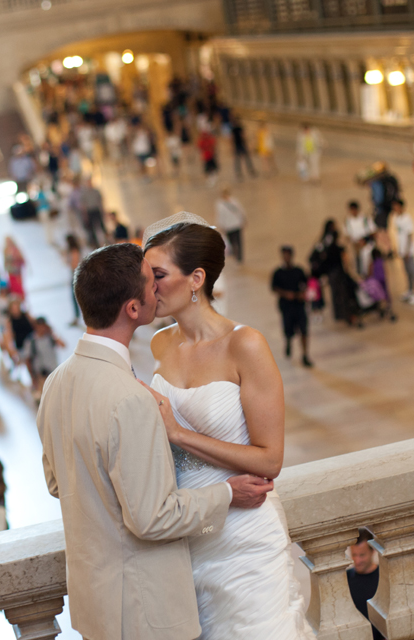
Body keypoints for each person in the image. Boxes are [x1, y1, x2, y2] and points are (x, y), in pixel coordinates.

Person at [37, 241, 273, 640]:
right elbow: (152, 517)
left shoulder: (56, 382)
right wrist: (228, 494)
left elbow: (57, 483)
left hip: (97, 603)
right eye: (151, 284)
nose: (157, 291)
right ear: (133, 308)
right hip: (144, 609)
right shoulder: (129, 398)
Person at [143, 215, 314, 638]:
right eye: (145, 276)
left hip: (245, 534)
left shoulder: (246, 344)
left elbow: (270, 458)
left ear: (196, 278)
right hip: (189, 534)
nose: (149, 287)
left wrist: (179, 434)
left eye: (159, 275)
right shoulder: (159, 343)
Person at [310, 220, 363, 328]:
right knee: (344, 295)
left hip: (332, 275)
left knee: (337, 296)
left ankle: (341, 315)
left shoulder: (323, 244)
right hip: (338, 275)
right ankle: (347, 315)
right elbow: (345, 263)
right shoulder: (335, 248)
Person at [272, 246, 313, 367]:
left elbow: (306, 283)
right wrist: (285, 294)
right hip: (287, 307)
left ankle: (305, 354)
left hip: (299, 305)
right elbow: (274, 287)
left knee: (304, 330)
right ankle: (288, 342)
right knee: (288, 330)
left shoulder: (298, 271)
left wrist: (303, 294)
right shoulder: (278, 273)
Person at [346, 532, 382, 640]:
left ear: (373, 551)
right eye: (354, 555)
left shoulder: (384, 576)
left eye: (362, 555)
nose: (357, 561)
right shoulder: (345, 578)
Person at [391, 199, 414, 305]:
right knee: (407, 271)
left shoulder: (407, 218)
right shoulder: (396, 218)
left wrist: (407, 251)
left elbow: (409, 235)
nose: (395, 209)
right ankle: (410, 290)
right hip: (402, 251)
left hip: (409, 252)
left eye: (396, 206)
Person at [28, 316, 65, 400]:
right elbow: (28, 360)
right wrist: (33, 378)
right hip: (41, 375)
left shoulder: (50, 337)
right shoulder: (31, 341)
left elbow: (63, 345)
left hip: (54, 371)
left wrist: (52, 333)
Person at [344, 200, 377, 278]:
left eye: (354, 209)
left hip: (368, 247)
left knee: (370, 269)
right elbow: (347, 236)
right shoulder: (348, 222)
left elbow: (373, 231)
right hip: (357, 249)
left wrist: (364, 241)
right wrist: (356, 243)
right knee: (361, 271)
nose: (353, 212)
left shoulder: (365, 218)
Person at [215, 187, 246, 263]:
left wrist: (220, 225)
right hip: (233, 225)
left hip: (232, 225)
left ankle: (238, 256)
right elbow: (241, 210)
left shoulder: (221, 204)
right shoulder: (232, 201)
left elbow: (220, 216)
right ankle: (238, 256)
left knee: (235, 241)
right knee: (236, 241)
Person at [77, 178, 105, 249]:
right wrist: (85, 214)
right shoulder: (84, 193)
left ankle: (104, 241)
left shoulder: (96, 191)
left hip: (96, 210)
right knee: (91, 228)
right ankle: (94, 243)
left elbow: (100, 201)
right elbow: (83, 204)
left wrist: (102, 211)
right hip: (90, 211)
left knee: (101, 226)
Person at [230, 116, 257, 180]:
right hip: (241, 145)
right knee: (245, 159)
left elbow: (232, 138)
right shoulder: (238, 128)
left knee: (239, 160)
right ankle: (249, 170)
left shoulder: (234, 129)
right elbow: (243, 136)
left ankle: (239, 172)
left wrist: (232, 146)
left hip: (238, 145)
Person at [64, 234, 82, 325]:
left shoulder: (74, 252)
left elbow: (74, 265)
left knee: (76, 298)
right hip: (76, 275)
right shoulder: (74, 251)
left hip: (76, 276)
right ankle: (77, 317)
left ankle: (77, 317)